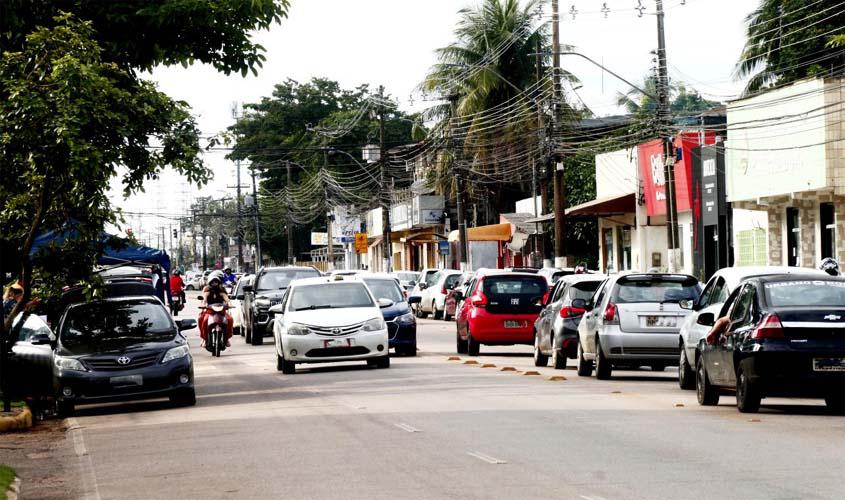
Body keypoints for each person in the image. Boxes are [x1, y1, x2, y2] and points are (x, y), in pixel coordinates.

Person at [198, 271, 233, 347]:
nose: (214, 284)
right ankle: (204, 339)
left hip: (221, 311)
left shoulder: (222, 290)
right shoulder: (207, 290)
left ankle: (226, 339)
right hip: (210, 311)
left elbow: (227, 299)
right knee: (202, 319)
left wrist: (230, 305)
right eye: (213, 282)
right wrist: (203, 305)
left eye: (216, 282)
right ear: (210, 282)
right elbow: (204, 299)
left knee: (230, 319)